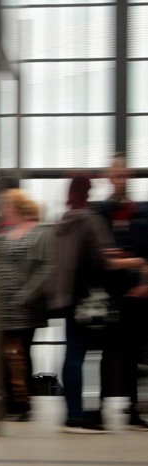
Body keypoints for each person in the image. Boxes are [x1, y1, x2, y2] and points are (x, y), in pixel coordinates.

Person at [50, 174, 145, 433]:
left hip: (67, 295)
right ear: (88, 191)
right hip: (89, 298)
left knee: (72, 353)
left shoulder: (62, 221)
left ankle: (72, 413)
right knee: (95, 353)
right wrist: (137, 262)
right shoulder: (90, 219)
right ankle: (81, 416)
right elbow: (104, 261)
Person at [93, 154, 148, 430]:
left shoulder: (142, 211)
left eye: (124, 175)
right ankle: (103, 406)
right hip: (108, 294)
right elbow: (100, 257)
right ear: (108, 177)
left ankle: (132, 409)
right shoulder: (99, 211)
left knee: (133, 353)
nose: (120, 179)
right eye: (116, 175)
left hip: (136, 296)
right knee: (107, 353)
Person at [0, 189, 54, 421]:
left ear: (18, 206)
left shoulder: (39, 233)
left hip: (24, 304)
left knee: (19, 353)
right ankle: (7, 398)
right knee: (2, 354)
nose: (3, 209)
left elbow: (46, 268)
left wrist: (27, 293)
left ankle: (23, 401)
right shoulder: (5, 233)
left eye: (6, 205)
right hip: (2, 304)